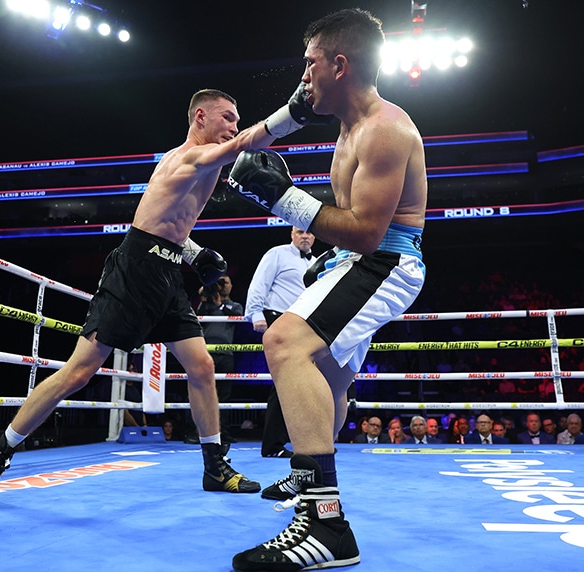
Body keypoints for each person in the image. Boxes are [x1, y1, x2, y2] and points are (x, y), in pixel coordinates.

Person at [0, 88, 287, 506]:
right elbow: (245, 146)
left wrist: (193, 252)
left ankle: (214, 466)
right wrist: (294, 111)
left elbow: (163, 218)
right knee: (79, 372)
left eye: (237, 120)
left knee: (201, 366)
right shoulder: (188, 157)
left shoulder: (198, 165)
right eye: (227, 118)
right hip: (135, 271)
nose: (234, 127)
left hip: (167, 271)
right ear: (200, 117)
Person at [229, 10, 427, 569]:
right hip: (353, 259)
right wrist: (272, 139)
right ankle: (305, 479)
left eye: (311, 64)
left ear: (340, 65)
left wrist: (284, 198)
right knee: (330, 373)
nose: (304, 77)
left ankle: (326, 523)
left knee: (285, 343)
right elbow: (252, 142)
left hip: (383, 260)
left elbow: (367, 231)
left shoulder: (385, 128)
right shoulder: (344, 123)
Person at [245, 226, 316, 458]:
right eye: (300, 231)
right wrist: (256, 314)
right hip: (279, 319)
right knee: (284, 384)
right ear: (292, 234)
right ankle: (273, 446)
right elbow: (259, 284)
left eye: (308, 232)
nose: (304, 236)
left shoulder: (317, 262)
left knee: (302, 386)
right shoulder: (277, 254)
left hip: (306, 325)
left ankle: (305, 443)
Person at [195, 274, 244, 445]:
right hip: (205, 353)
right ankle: (198, 433)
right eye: (219, 282)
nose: (223, 285)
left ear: (231, 286)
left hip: (226, 354)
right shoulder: (206, 305)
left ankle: (224, 432)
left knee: (224, 395)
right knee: (202, 393)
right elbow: (195, 318)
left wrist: (220, 305)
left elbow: (238, 317)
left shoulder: (235, 306)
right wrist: (204, 296)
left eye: (226, 282)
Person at [122, 363, 147, 428]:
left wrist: (144, 425)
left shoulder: (136, 387)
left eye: (132, 370)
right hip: (129, 427)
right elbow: (125, 413)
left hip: (140, 426)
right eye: (128, 370)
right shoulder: (122, 389)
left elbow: (141, 408)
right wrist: (137, 427)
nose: (131, 372)